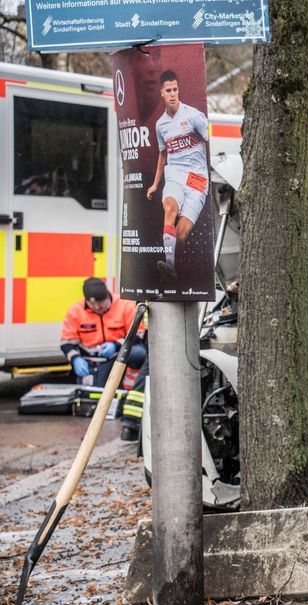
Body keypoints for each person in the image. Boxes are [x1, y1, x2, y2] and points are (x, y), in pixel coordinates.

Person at [61, 278, 146, 441]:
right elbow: (67, 342)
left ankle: (130, 389)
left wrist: (115, 345)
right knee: (97, 401)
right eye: (93, 305)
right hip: (91, 361)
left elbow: (139, 334)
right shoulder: (75, 311)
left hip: (119, 354)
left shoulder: (125, 306)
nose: (98, 307)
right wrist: (76, 359)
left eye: (101, 303)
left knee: (140, 353)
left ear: (108, 296)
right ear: (87, 302)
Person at [146, 69, 210, 282]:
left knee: (181, 233)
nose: (173, 94)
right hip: (174, 174)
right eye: (169, 90)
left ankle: (175, 269)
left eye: (175, 89)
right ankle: (169, 267)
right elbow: (162, 155)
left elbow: (210, 140)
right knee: (170, 208)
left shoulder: (194, 116)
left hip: (197, 179)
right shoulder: (160, 125)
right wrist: (155, 184)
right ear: (162, 94)